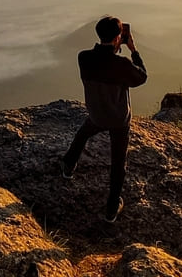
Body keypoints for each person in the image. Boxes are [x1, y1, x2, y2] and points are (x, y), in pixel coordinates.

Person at [61, 15, 147, 222]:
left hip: (96, 114)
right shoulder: (122, 64)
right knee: (119, 162)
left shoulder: (83, 57)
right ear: (119, 37)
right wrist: (134, 51)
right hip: (119, 119)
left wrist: (115, 47)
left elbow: (102, 64)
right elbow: (141, 77)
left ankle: (67, 166)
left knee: (83, 134)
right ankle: (111, 207)